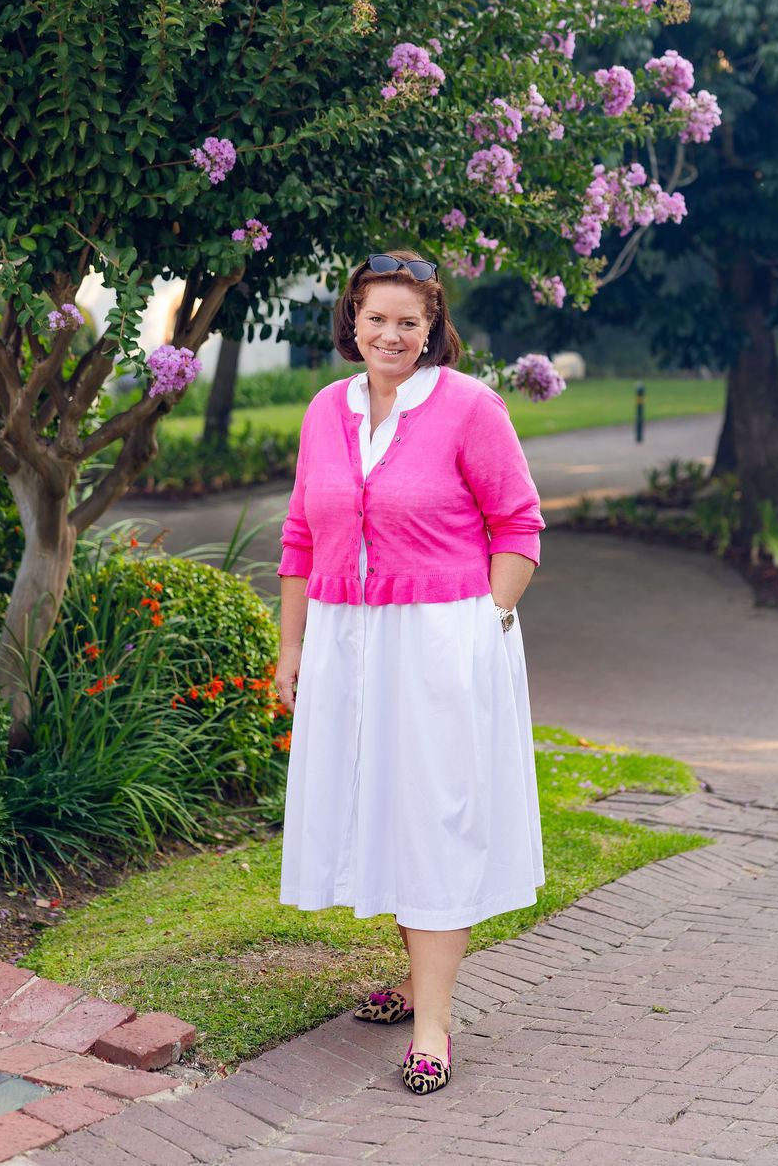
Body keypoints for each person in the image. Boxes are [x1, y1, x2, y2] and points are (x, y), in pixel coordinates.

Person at [275, 250, 544, 1095]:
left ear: (432, 329)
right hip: (347, 645)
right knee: (380, 815)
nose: (390, 334)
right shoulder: (326, 409)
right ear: (351, 322)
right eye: (376, 318)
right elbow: (300, 536)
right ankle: (417, 984)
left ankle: (434, 1024)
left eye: (408, 321)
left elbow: (519, 524)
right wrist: (292, 646)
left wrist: (486, 625)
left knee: (432, 821)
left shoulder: (470, 406)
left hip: (439, 643)